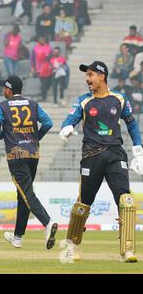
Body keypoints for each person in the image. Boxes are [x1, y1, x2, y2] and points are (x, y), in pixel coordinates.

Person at [59, 61, 142, 263]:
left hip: (115, 154)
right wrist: (66, 128)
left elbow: (131, 123)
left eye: (90, 74)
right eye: (86, 75)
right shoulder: (83, 101)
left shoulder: (119, 99)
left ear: (102, 76)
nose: (87, 79)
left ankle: (127, 250)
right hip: (91, 156)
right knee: (83, 205)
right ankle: (72, 246)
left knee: (126, 201)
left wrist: (138, 151)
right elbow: (70, 119)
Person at [0, 75, 57, 249]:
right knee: (23, 195)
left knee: (27, 194)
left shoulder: (2, 107)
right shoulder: (33, 105)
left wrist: (5, 136)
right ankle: (18, 237)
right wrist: (35, 139)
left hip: (16, 155)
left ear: (8, 90)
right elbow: (48, 123)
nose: (3, 91)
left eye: (4, 88)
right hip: (33, 154)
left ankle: (48, 222)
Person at [30, 35, 52, 101]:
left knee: (47, 83)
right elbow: (32, 59)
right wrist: (32, 68)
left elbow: (51, 58)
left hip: (48, 69)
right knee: (43, 84)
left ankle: (44, 93)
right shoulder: (35, 48)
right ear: (38, 40)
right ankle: (44, 97)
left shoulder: (48, 47)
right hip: (39, 69)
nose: (42, 40)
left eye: (43, 39)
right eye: (41, 39)